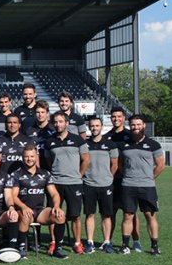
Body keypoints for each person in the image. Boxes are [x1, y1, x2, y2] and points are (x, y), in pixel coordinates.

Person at [118, 114, 165, 256]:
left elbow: (161, 165)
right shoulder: (124, 144)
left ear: (144, 125)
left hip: (147, 186)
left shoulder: (153, 144)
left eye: (138, 124)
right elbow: (119, 165)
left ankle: (155, 246)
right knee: (127, 215)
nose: (136, 127)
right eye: (133, 125)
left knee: (149, 215)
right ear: (129, 126)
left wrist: (150, 178)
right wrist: (128, 176)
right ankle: (125, 245)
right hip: (128, 185)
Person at [10, 144, 66, 258]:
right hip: (24, 210)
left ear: (36, 157)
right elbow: (13, 196)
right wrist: (23, 207)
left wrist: (56, 206)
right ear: (22, 157)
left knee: (60, 216)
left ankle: (57, 249)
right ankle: (21, 248)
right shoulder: (16, 174)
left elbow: (54, 193)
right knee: (25, 216)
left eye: (32, 156)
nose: (29, 159)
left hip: (40, 211)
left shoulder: (45, 174)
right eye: (26, 156)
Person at [46, 111, 90, 255]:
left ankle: (77, 243)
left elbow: (86, 160)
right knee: (53, 213)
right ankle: (53, 242)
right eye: (56, 122)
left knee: (75, 215)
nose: (58, 124)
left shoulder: (78, 140)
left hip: (74, 183)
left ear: (67, 123)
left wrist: (79, 175)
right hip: (55, 184)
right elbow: (48, 162)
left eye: (61, 121)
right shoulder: (49, 141)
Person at [82, 116, 118, 254]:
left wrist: (108, 177)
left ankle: (107, 242)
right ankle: (90, 242)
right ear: (89, 127)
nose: (94, 128)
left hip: (106, 184)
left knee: (106, 215)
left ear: (102, 126)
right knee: (90, 214)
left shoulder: (110, 144)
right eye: (92, 126)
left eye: (97, 126)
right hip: (89, 184)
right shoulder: (85, 145)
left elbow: (114, 165)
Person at [107, 106, 140, 248]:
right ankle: (108, 240)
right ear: (111, 118)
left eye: (119, 116)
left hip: (129, 179)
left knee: (131, 212)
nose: (116, 119)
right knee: (111, 211)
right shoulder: (106, 137)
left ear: (123, 118)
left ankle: (136, 241)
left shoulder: (131, 136)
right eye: (114, 117)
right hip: (113, 179)